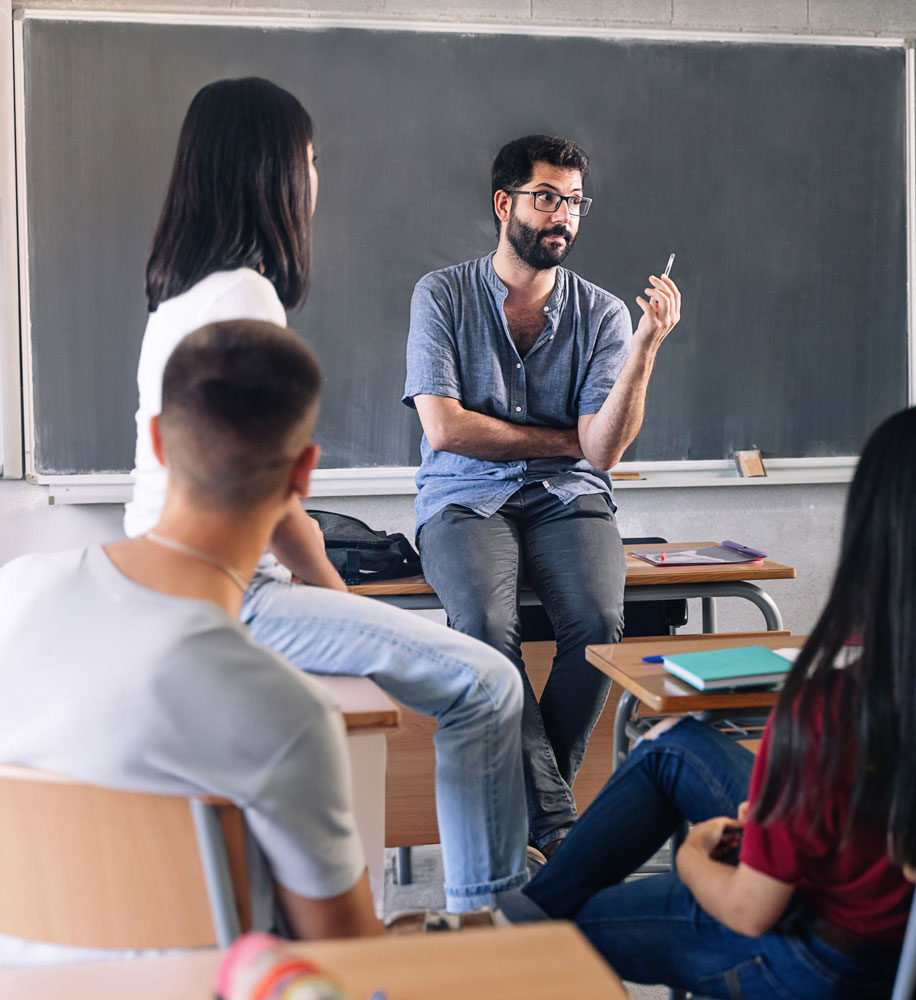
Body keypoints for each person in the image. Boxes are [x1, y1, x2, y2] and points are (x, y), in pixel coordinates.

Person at [492, 403, 916, 999]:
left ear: (879, 530)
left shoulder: (835, 711)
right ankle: (531, 913)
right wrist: (778, 817)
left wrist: (693, 855)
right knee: (674, 747)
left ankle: (528, 928)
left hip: (812, 963)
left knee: (572, 927)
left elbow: (748, 911)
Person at [122, 77, 528, 911]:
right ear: (272, 172)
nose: (315, 177)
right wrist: (342, 601)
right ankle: (485, 918)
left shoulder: (180, 293)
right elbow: (268, 498)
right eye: (309, 159)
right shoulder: (245, 297)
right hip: (233, 593)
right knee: (489, 683)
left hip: (163, 578)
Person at [0, 321, 384, 963]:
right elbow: (345, 954)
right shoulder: (287, 715)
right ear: (304, 474)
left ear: (157, 442)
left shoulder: (14, 592)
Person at [404, 134, 682, 857]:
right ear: (506, 204)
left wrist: (645, 350)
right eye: (547, 198)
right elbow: (444, 427)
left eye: (575, 201)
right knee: (484, 624)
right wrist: (567, 439)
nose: (564, 215)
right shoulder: (442, 294)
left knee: (599, 623)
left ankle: (532, 808)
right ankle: (557, 823)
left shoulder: (602, 315)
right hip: (463, 497)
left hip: (569, 498)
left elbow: (605, 450)